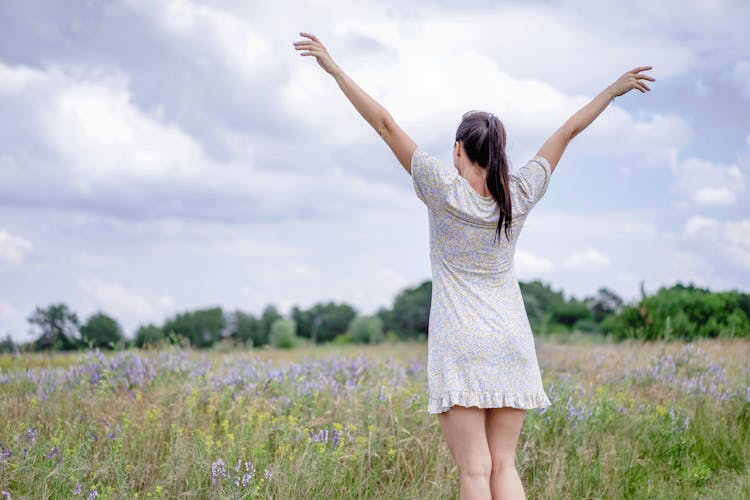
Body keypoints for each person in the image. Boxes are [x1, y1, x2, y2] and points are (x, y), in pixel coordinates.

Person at [293, 32, 654, 500]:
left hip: (461, 342)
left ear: (458, 149)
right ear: (498, 153)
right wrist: (610, 90)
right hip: (510, 341)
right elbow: (567, 133)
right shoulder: (519, 195)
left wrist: (337, 70)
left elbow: (384, 124)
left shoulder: (443, 189)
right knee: (503, 464)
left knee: (473, 471)